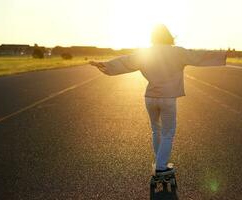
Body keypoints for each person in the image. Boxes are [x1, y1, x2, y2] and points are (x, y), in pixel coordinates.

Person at [90, 24, 226, 176]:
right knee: (168, 133)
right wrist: (223, 55)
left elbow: (125, 62)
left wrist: (105, 65)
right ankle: (161, 166)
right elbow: (198, 56)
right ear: (169, 36)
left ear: (153, 37)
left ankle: (159, 161)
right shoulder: (177, 52)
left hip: (150, 97)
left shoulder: (146, 53)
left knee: (156, 130)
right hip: (168, 98)